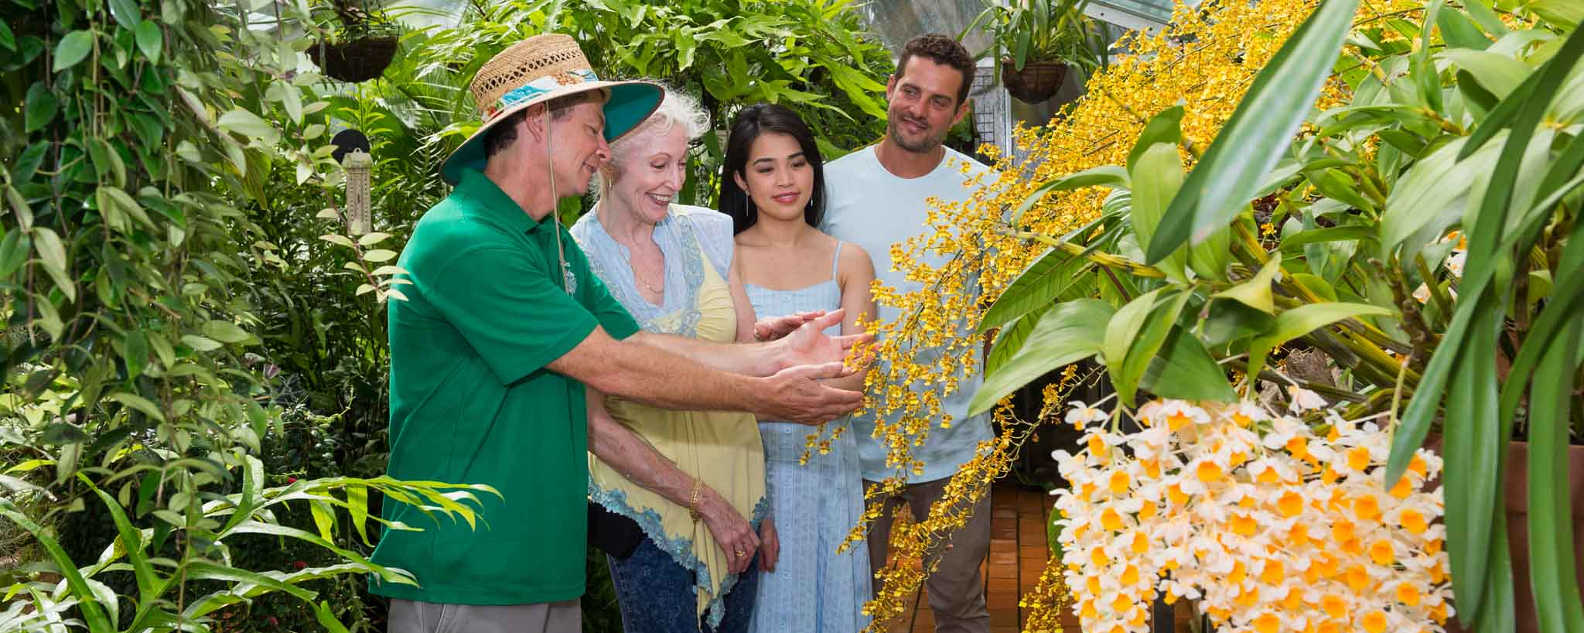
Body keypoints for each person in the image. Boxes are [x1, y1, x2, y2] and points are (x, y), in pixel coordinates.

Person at [370, 34, 865, 633]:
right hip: (468, 563)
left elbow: (639, 344)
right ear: (536, 123)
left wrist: (775, 357)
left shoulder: (543, 240)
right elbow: (611, 367)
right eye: (593, 129)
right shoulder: (466, 239)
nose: (603, 149)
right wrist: (768, 396)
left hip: (539, 561)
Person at [569, 88, 774, 633]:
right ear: (607, 160)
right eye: (659, 164)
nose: (676, 181)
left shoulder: (708, 232)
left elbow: (747, 355)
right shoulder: (574, 259)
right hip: (646, 512)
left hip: (740, 485)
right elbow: (592, 423)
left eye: (682, 163)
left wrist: (761, 505)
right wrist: (701, 501)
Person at [819, 33, 995, 633]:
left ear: (960, 112)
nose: (919, 109)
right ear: (891, 89)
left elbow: (1000, 310)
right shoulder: (829, 186)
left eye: (939, 101)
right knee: (854, 608)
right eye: (911, 91)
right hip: (849, 442)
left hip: (954, 438)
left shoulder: (985, 193)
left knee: (960, 607)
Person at [723, 103, 877, 633]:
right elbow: (722, 376)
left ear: (815, 168)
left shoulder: (849, 260)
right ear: (741, 179)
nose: (785, 180)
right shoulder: (723, 256)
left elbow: (854, 381)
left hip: (829, 465)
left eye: (797, 163)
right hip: (745, 463)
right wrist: (808, 371)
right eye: (765, 168)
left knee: (830, 606)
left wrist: (772, 373)